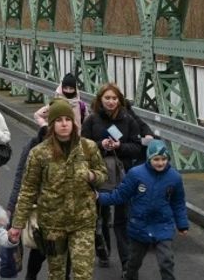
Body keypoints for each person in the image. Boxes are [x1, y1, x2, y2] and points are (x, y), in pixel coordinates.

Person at [9, 99, 107, 280]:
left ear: (73, 122)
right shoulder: (39, 153)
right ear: (52, 124)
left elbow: (103, 175)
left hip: (82, 221)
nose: (64, 124)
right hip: (53, 223)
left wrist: (92, 176)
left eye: (67, 119)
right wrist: (17, 224)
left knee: (83, 274)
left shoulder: (88, 147)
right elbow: (28, 190)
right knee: (57, 274)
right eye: (59, 120)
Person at [98, 140, 189, 280]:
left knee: (166, 261)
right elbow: (121, 195)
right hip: (139, 225)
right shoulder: (136, 174)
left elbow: (178, 202)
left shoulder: (174, 177)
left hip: (162, 225)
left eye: (164, 159)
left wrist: (182, 224)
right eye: (156, 159)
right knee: (133, 263)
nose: (160, 163)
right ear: (149, 158)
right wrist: (99, 198)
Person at [82, 83, 144, 270]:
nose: (111, 102)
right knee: (100, 215)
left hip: (122, 174)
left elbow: (136, 148)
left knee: (121, 218)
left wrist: (120, 147)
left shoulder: (128, 120)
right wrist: (101, 145)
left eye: (114, 98)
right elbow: (83, 147)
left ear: (120, 100)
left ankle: (126, 263)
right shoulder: (91, 120)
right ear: (100, 99)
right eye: (107, 98)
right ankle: (103, 251)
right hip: (98, 173)